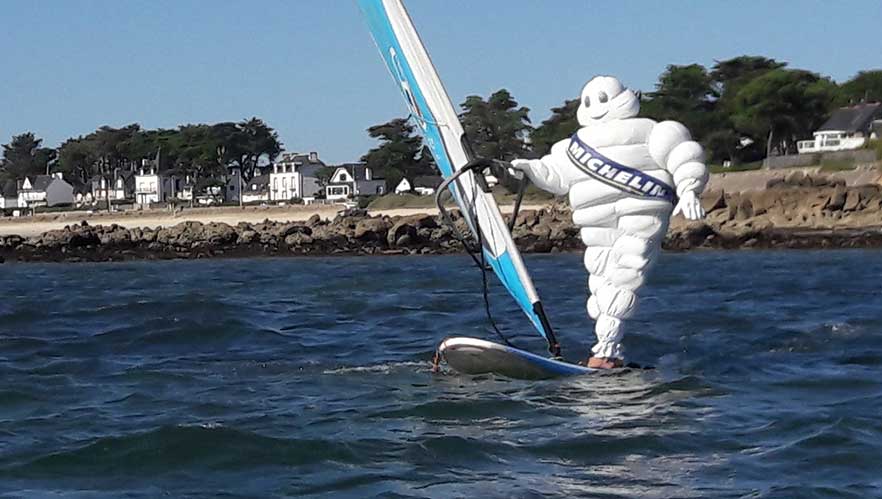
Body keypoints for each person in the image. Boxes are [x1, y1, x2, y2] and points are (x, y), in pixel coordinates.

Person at [508, 76, 708, 369]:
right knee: (602, 281)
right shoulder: (572, 147)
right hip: (594, 221)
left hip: (642, 209)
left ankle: (606, 350)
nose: (596, 107)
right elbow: (555, 174)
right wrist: (529, 168)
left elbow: (682, 155)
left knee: (628, 270)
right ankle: (609, 351)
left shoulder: (654, 132)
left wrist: (689, 187)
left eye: (602, 99)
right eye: (589, 101)